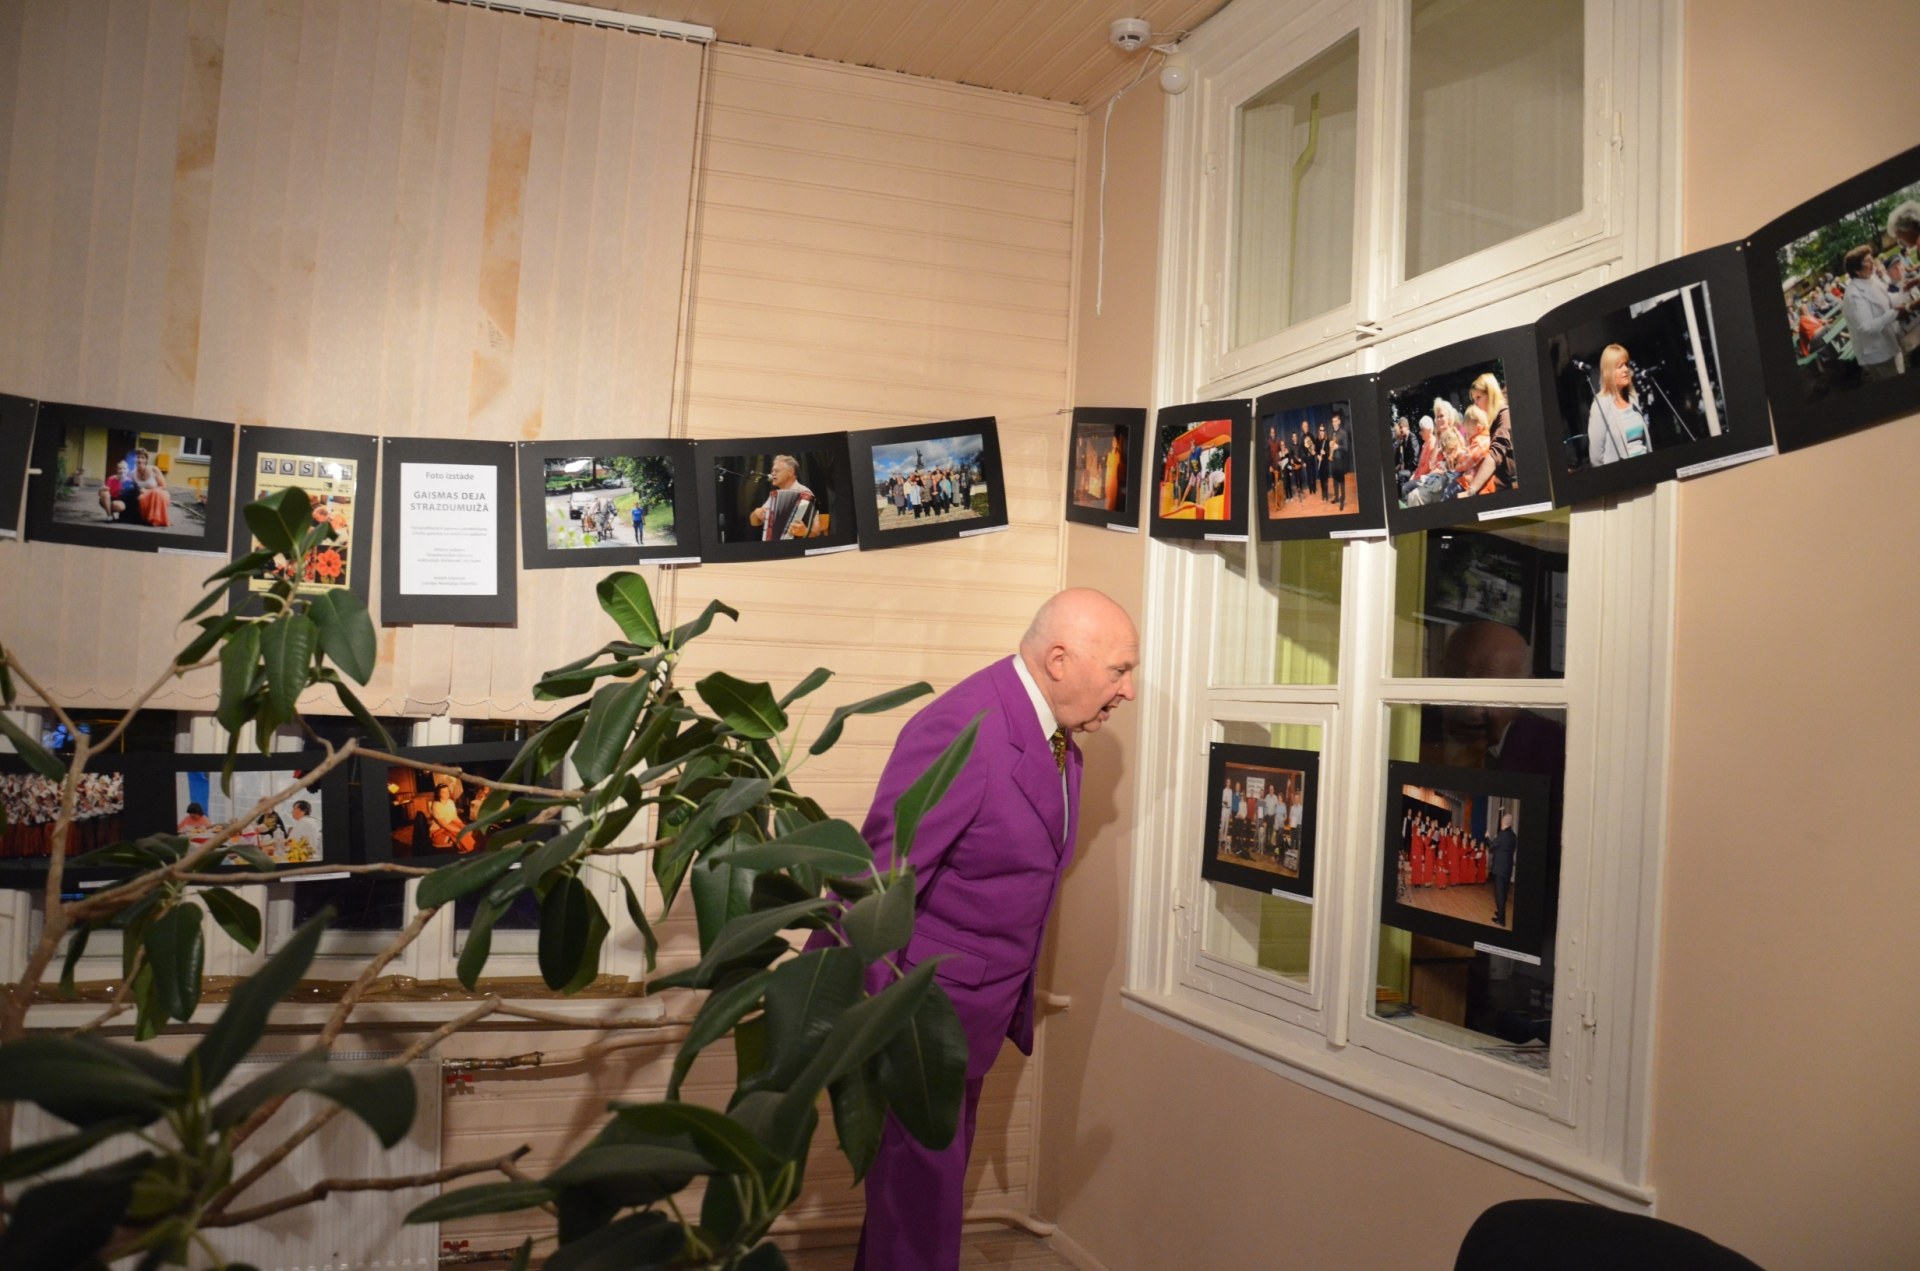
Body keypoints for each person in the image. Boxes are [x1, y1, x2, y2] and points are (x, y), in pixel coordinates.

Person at [839, 588, 1138, 1271]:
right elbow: (878, 878)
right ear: (1059, 660)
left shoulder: (1059, 739)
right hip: (918, 1023)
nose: (1128, 690)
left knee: (912, 1203)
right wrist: (854, 1026)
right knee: (920, 1211)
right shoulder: (962, 728)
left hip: (971, 1016)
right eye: (1119, 670)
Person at [1838, 244, 1914, 382]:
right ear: (1856, 269)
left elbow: (1887, 298)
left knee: (1900, 370)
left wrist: (1904, 289)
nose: (1872, 262)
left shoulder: (1870, 279)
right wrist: (1895, 313)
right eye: (1867, 260)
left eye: (1871, 258)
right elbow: (1866, 327)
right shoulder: (1854, 295)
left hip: (1889, 340)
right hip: (1877, 352)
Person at [1587, 343, 1651, 466]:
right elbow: (1596, 457)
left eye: (1626, 364)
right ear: (1609, 372)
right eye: (1619, 366)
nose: (1626, 370)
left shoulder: (1633, 399)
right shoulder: (1600, 405)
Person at [1461, 374, 1517, 497]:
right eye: (1474, 399)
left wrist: (1471, 491)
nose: (1475, 404)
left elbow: (1494, 455)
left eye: (1478, 397)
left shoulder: (1504, 415)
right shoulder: (1494, 418)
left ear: (1491, 394)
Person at [749, 454, 820, 539]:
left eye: (777, 471)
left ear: (791, 472)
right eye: (772, 471)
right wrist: (756, 513)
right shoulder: (775, 495)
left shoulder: (805, 494)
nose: (773, 474)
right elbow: (754, 523)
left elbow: (816, 532)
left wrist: (804, 532)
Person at [1489, 809, 1518, 926]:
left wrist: (1487, 837)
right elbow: (1505, 849)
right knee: (1504, 893)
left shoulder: (1502, 834)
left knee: (1499, 895)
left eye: (1501, 822)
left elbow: (1491, 846)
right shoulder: (1513, 836)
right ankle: (1501, 912)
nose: (1500, 823)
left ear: (1504, 822)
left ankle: (1501, 920)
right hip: (1508, 868)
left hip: (1500, 869)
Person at [1327, 411, 1350, 510]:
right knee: (1335, 480)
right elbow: (1331, 447)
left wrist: (1338, 446)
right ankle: (1336, 497)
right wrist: (1330, 445)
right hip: (1333, 460)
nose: (1334, 423)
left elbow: (1346, 448)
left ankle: (1342, 500)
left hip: (1340, 461)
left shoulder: (1343, 433)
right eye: (1333, 421)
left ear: (1339, 422)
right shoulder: (1332, 433)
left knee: (1341, 481)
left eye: (1336, 421)